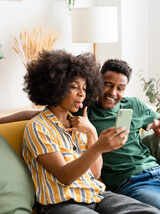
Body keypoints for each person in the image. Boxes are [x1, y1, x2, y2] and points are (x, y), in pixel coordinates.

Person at [1, 57, 160, 212]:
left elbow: (95, 173)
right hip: (63, 202)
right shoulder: (38, 127)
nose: (82, 94)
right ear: (57, 86)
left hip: (97, 195)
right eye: (75, 87)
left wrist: (91, 132)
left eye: (84, 88)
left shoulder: (81, 124)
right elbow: (65, 176)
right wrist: (98, 147)